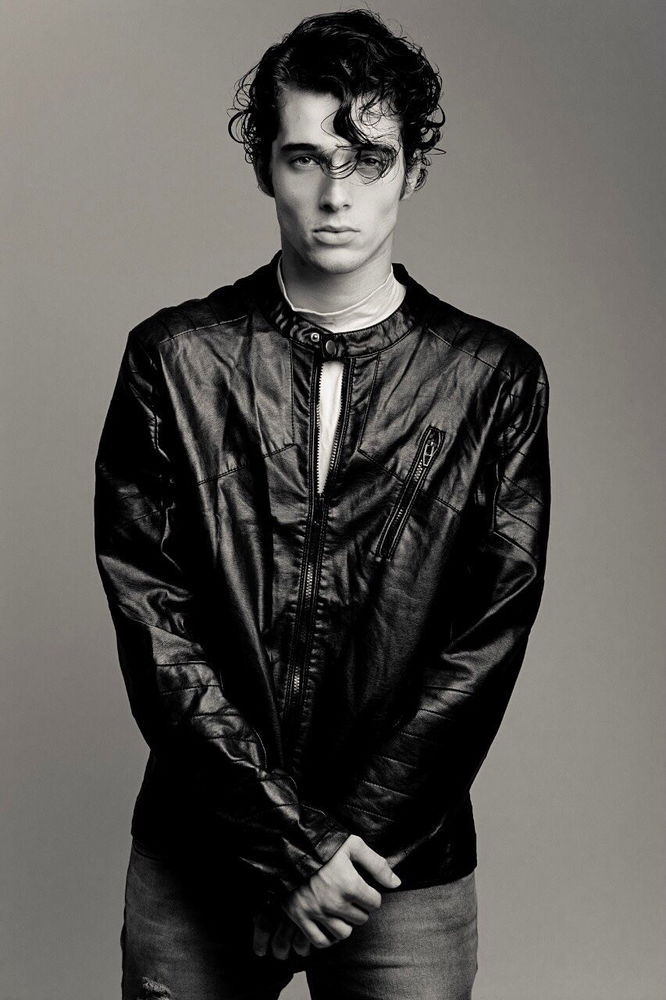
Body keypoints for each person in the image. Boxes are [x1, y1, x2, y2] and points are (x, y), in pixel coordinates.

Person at [93, 9, 551, 998]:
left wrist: (342, 850)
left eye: (368, 160)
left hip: (396, 863)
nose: (337, 193)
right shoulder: (174, 360)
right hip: (202, 848)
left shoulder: (493, 378)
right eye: (306, 158)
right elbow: (154, 626)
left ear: (411, 171)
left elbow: (485, 643)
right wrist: (289, 845)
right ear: (266, 167)